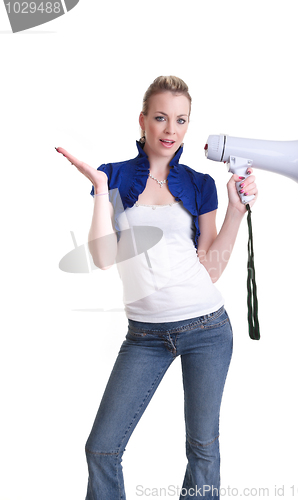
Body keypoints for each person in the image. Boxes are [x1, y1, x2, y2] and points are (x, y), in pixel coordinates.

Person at [56, 75, 258, 499]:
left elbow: (213, 268)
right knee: (102, 449)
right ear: (143, 120)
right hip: (144, 336)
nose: (171, 130)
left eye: (181, 120)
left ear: (188, 125)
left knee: (203, 449)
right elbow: (104, 258)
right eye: (161, 118)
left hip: (207, 328)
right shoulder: (111, 177)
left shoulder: (200, 184)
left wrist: (236, 211)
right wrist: (97, 191)